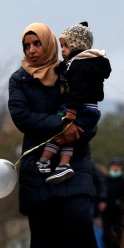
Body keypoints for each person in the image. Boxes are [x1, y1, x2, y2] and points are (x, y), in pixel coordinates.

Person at [8, 23, 99, 248]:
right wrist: (61, 125)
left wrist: (79, 130)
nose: (32, 51)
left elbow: (91, 109)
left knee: (80, 221)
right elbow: (23, 117)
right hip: (39, 163)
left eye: (37, 44)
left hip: (75, 160)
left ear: (47, 45)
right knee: (46, 233)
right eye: (26, 46)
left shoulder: (71, 71)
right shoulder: (19, 80)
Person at [36, 22, 111, 185]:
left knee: (60, 132)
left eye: (65, 46)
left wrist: (70, 114)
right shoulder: (86, 64)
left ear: (76, 46)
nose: (62, 50)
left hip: (80, 107)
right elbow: (65, 70)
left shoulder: (79, 67)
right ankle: (63, 165)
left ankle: (46, 160)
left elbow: (77, 92)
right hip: (91, 109)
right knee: (70, 138)